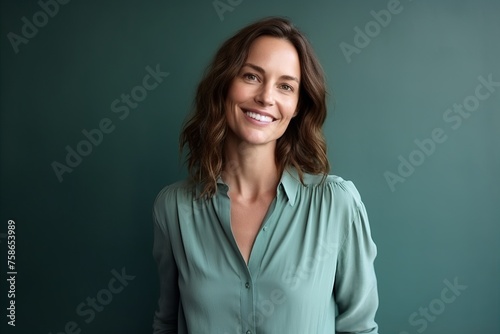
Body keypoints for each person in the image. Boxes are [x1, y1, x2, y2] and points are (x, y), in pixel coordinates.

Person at [152, 16, 379, 334]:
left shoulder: (336, 204)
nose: (266, 97)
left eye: (286, 86)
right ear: (225, 84)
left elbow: (359, 328)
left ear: (298, 105)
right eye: (251, 76)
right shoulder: (174, 207)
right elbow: (167, 322)